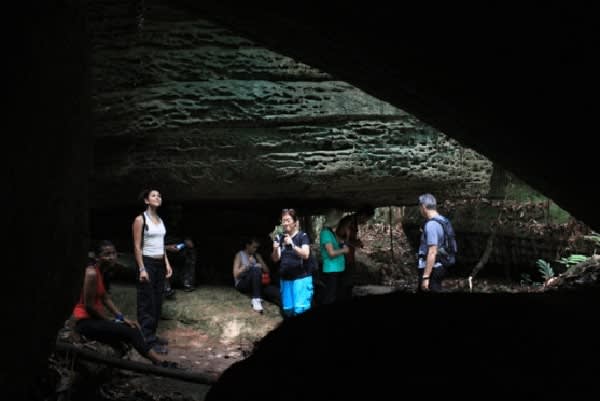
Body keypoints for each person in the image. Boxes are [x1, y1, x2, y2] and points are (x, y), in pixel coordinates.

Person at [72, 241, 176, 367]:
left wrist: (121, 318)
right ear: (97, 257)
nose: (112, 257)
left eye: (114, 253)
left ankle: (154, 360)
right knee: (131, 331)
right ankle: (158, 362)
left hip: (94, 320)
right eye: (107, 254)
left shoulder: (101, 272)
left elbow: (105, 298)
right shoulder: (91, 273)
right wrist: (110, 321)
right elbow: (89, 307)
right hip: (85, 323)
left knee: (132, 326)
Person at [132, 188, 173, 354]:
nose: (158, 197)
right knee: (147, 302)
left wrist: (167, 263)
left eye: (160, 195)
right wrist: (142, 268)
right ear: (147, 200)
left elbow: (161, 245)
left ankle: (152, 335)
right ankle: (147, 340)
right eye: (154, 195)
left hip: (159, 263)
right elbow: (136, 246)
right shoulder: (140, 219)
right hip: (147, 263)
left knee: (157, 300)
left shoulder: (160, 220)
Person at [271, 208, 313, 318]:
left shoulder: (302, 236)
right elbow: (276, 258)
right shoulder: (279, 237)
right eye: (283, 220)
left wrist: (292, 245)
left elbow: (306, 254)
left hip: (301, 279)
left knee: (300, 310)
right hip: (285, 279)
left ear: (295, 222)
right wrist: (275, 249)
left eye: (288, 220)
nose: (285, 223)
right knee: (288, 310)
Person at [335, 205, 375, 300]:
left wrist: (356, 242)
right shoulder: (347, 221)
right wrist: (354, 243)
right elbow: (337, 238)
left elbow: (348, 239)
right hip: (343, 260)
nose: (365, 222)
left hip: (349, 259)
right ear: (363, 215)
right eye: (366, 219)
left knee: (348, 286)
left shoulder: (354, 223)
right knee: (343, 287)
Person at [233, 237, 279, 312]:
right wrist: (248, 266)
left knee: (272, 291)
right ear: (247, 246)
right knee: (256, 269)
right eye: (254, 247)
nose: (255, 249)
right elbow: (235, 275)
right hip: (242, 283)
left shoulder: (256, 255)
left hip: (256, 284)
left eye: (257, 247)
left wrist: (260, 260)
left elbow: (267, 271)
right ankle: (256, 299)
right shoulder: (239, 255)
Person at [416, 193, 448, 292]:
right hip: (440, 265)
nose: (419, 210)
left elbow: (432, 251)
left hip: (431, 269)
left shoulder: (431, 225)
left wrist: (426, 277)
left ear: (424, 207)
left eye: (420, 207)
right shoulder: (443, 220)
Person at [319, 209, 350, 305]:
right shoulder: (325, 233)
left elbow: (340, 242)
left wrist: (346, 237)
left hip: (337, 269)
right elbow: (331, 253)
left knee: (337, 295)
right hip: (332, 270)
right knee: (330, 297)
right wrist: (344, 250)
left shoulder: (330, 232)